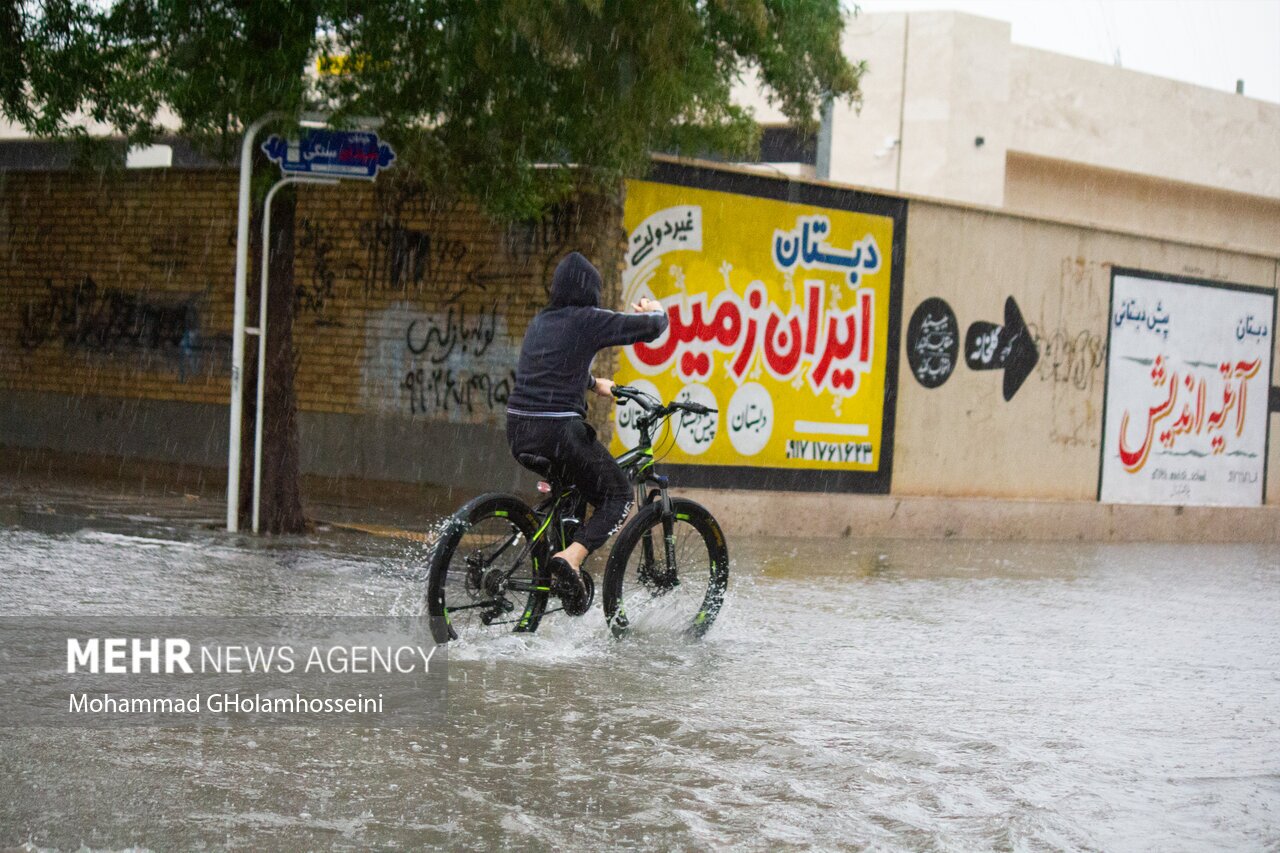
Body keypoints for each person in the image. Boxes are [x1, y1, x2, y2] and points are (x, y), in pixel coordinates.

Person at [505, 251, 668, 615]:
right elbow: (653, 327)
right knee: (617, 493)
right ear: (589, 292)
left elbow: (554, 366)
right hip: (558, 430)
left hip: (518, 428)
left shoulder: (541, 321)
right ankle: (571, 558)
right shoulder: (588, 319)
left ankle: (557, 573)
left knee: (575, 485)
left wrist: (593, 383)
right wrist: (656, 309)